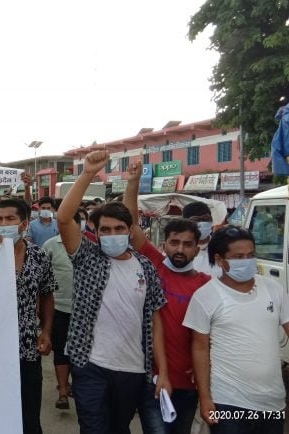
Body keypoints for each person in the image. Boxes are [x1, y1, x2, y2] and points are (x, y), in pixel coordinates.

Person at [56, 150, 168, 434]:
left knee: (119, 428)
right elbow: (64, 219)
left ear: (130, 231)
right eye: (105, 230)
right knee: (93, 428)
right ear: (95, 232)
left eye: (119, 228)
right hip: (89, 365)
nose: (112, 234)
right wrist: (88, 173)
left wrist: (163, 370)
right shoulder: (87, 257)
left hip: (133, 369)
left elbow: (155, 321)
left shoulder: (146, 266)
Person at [183, 226, 289, 434]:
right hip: (228, 401)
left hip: (272, 402)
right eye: (238, 257)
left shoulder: (273, 290)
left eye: (251, 255)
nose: (247, 261)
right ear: (220, 260)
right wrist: (205, 397)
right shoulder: (205, 296)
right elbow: (200, 349)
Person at [124, 161, 212, 434]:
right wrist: (133, 182)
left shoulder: (207, 285)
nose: (180, 249)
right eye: (174, 242)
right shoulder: (155, 265)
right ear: (164, 245)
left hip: (189, 383)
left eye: (187, 244)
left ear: (197, 249)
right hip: (152, 379)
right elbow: (131, 225)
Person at [0, 198, 54, 434]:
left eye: (10, 219)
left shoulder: (39, 256)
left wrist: (46, 331)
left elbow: (47, 294)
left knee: (29, 414)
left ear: (24, 224)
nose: (3, 224)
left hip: (27, 347)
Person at [41, 207, 88, 411]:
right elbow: (43, 280)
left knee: (80, 351)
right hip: (59, 307)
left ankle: (76, 386)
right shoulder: (50, 246)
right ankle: (62, 390)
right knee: (60, 350)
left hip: (84, 310)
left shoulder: (91, 246)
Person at [182, 202, 219, 276]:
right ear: (186, 223)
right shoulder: (178, 251)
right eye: (196, 220)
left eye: (206, 219)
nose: (202, 223)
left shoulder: (222, 247)